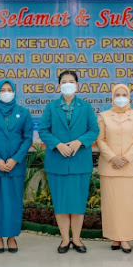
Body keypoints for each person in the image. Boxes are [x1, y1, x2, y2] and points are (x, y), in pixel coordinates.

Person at [39, 70, 99, 254]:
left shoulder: (86, 107)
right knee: (61, 202)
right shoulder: (51, 107)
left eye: (71, 81)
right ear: (59, 86)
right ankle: (65, 240)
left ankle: (77, 239)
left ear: (77, 85)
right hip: (57, 162)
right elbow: (44, 130)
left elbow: (94, 130)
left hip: (80, 162)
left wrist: (78, 142)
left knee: (78, 203)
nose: (67, 84)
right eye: (64, 81)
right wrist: (57, 144)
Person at [0, 80, 33, 253]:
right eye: (3, 90)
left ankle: (11, 237)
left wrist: (15, 159)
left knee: (14, 202)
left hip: (15, 166)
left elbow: (27, 138)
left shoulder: (23, 113)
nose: (6, 92)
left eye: (9, 90)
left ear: (15, 92)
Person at [96, 84, 133, 253]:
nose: (120, 97)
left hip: (131, 167)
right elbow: (100, 139)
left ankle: (126, 238)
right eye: (117, 94)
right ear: (112, 96)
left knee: (129, 204)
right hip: (110, 167)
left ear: (129, 96)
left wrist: (125, 158)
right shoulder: (104, 116)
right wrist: (113, 157)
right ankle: (115, 237)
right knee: (112, 204)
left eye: (123, 94)